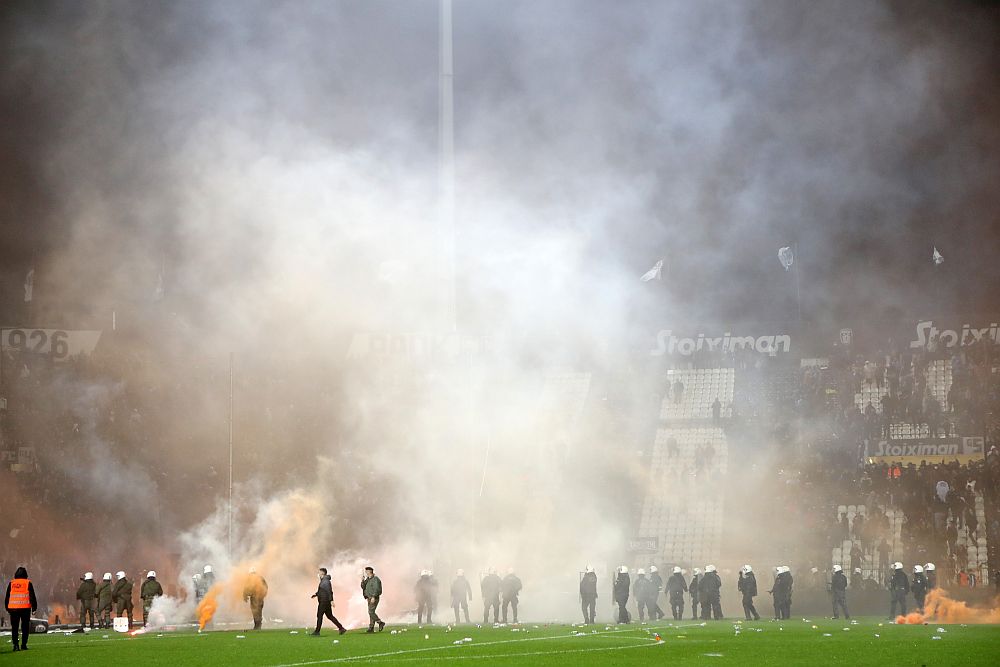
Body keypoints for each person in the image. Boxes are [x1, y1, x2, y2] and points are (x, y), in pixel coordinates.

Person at [4, 566, 37, 652]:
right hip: (25, 608)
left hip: (13, 609)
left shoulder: (11, 583)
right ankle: (24, 645)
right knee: (25, 627)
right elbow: (32, 596)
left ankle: (15, 645)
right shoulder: (28, 583)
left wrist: (7, 607)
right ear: (26, 574)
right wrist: (34, 608)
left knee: (14, 627)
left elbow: (7, 596)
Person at [311, 567, 346, 635]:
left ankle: (317, 631)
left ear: (322, 573)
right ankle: (341, 628)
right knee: (330, 616)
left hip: (324, 601)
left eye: (319, 572)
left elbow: (329, 591)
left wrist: (331, 600)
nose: (318, 574)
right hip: (325, 601)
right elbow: (322, 591)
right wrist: (316, 594)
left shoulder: (325, 581)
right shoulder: (324, 580)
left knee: (319, 615)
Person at [362, 566, 385, 633]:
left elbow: (377, 589)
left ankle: (380, 622)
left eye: (366, 571)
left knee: (371, 612)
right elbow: (363, 587)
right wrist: (362, 580)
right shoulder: (368, 579)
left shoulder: (375, 579)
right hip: (369, 598)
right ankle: (371, 627)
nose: (365, 572)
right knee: (371, 613)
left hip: (373, 598)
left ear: (369, 571)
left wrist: (374, 597)